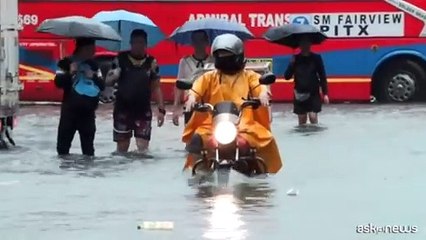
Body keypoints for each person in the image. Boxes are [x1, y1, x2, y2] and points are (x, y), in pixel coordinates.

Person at [182, 33, 283, 174]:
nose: (224, 59)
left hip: (244, 125)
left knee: (266, 139)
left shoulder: (249, 76)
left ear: (238, 56)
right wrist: (192, 98)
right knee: (196, 140)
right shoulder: (209, 77)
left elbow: (259, 86)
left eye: (227, 55)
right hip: (213, 124)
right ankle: (196, 173)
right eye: (221, 55)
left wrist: (262, 94)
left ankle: (261, 172)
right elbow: (196, 89)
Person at [105, 29, 165, 154]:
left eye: (141, 43)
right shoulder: (120, 59)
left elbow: (156, 86)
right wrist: (114, 75)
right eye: (135, 43)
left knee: (143, 149)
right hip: (122, 109)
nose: (138, 46)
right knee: (122, 149)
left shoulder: (151, 62)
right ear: (130, 43)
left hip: (143, 110)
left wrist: (161, 109)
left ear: (146, 44)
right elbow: (108, 82)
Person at [54, 38, 105, 156]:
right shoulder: (65, 62)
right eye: (91, 48)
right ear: (83, 48)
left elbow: (102, 86)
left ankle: (86, 173)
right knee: (62, 149)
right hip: (69, 112)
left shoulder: (94, 65)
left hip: (88, 113)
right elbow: (58, 83)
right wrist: (70, 73)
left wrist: (93, 77)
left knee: (88, 151)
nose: (94, 51)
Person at [284, 35, 329, 126]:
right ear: (299, 45)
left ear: (310, 44)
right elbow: (287, 76)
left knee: (313, 117)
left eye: (307, 42)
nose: (305, 45)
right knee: (302, 120)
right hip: (299, 93)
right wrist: (291, 64)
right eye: (303, 43)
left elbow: (322, 76)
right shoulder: (295, 59)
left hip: (313, 93)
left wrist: (325, 94)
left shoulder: (316, 58)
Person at [172, 30, 213, 126]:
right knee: (190, 137)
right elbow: (179, 85)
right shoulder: (185, 61)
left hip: (210, 104)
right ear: (192, 43)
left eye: (201, 40)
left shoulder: (213, 61)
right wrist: (175, 108)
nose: (199, 44)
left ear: (207, 42)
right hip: (191, 105)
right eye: (196, 41)